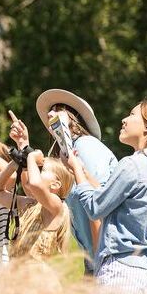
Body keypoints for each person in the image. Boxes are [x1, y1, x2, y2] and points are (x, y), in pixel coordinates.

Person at [64, 98, 147, 294]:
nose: (124, 119)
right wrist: (80, 171)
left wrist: (77, 172)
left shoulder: (131, 164)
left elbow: (95, 208)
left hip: (120, 271)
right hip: (144, 271)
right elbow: (108, 195)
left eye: (132, 114)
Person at [12, 90, 118, 276]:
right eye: (50, 111)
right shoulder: (65, 156)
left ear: (74, 118)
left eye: (58, 109)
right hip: (96, 259)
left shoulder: (86, 145)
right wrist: (24, 146)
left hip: (106, 258)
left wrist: (99, 265)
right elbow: (33, 191)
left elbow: (97, 204)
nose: (50, 114)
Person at [0, 116, 73, 266]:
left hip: (39, 281)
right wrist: (14, 163)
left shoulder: (57, 205)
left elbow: (35, 184)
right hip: (18, 279)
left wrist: (31, 157)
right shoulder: (30, 203)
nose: (35, 171)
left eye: (41, 170)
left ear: (56, 185)